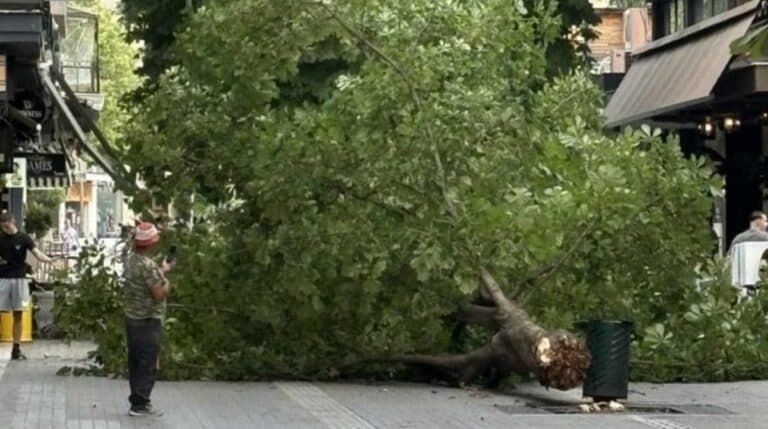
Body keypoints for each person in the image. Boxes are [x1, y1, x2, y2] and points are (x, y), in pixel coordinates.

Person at [123, 222, 174, 417]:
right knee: (148, 362)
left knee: (135, 360)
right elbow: (158, 294)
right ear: (151, 244)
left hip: (132, 317)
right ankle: (140, 404)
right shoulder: (148, 266)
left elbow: (145, 279)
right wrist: (167, 282)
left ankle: (136, 399)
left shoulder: (131, 260)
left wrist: (162, 270)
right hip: (148, 319)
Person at [0, 212, 52, 359]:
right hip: (2, 278)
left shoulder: (23, 238)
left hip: (19, 279)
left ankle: (16, 348)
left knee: (18, 313)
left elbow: (36, 253)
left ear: (13, 222)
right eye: (3, 226)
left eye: (7, 225)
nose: (5, 228)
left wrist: (48, 260)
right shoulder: (0, 238)